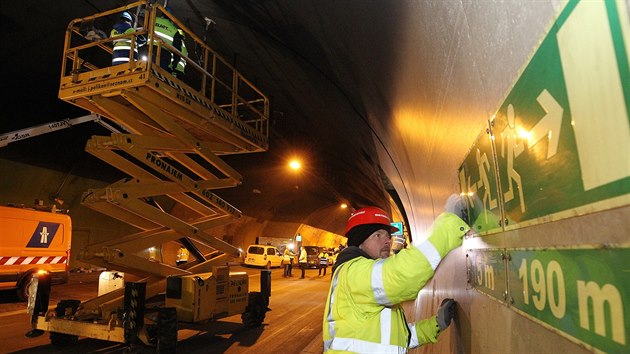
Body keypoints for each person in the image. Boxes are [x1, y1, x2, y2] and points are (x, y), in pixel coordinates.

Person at [322, 196, 468, 353]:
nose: (387, 240)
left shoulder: (372, 287)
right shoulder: (354, 272)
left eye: (387, 235)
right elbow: (403, 275)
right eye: (378, 235)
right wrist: (450, 225)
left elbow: (399, 340)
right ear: (360, 242)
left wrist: (437, 324)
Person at [152, 7, 179, 71]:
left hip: (150, 49)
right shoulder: (174, 29)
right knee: (161, 71)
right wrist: (175, 63)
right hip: (165, 54)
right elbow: (177, 48)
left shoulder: (154, 20)